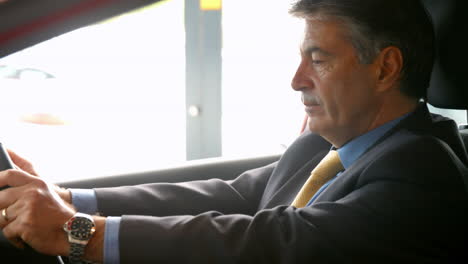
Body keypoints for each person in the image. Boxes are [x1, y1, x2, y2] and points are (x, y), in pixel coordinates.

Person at [1, 0, 467, 263]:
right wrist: (63, 196)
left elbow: (274, 240)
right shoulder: (324, 147)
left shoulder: (421, 172)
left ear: (386, 67)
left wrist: (79, 232)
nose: (297, 78)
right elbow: (227, 195)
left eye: (319, 59)